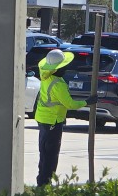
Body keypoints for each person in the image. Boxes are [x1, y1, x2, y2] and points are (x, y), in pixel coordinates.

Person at [35, 49, 98, 186]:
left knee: (44, 153)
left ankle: (42, 181)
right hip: (53, 121)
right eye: (63, 66)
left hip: (43, 119)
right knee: (51, 155)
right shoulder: (58, 84)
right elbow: (70, 104)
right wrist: (87, 102)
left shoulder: (46, 77)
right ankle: (45, 183)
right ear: (58, 68)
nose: (66, 68)